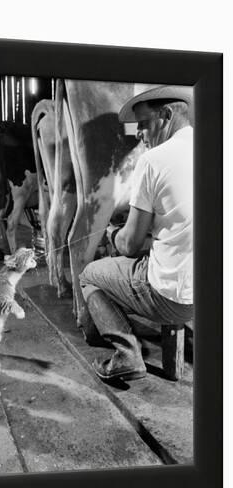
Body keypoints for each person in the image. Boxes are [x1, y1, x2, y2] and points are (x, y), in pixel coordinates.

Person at [79, 85, 194, 381]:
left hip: (173, 298)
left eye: (143, 124)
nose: (139, 134)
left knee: (90, 274)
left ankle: (126, 353)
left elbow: (129, 245)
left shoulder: (153, 160)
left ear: (166, 115)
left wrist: (113, 233)